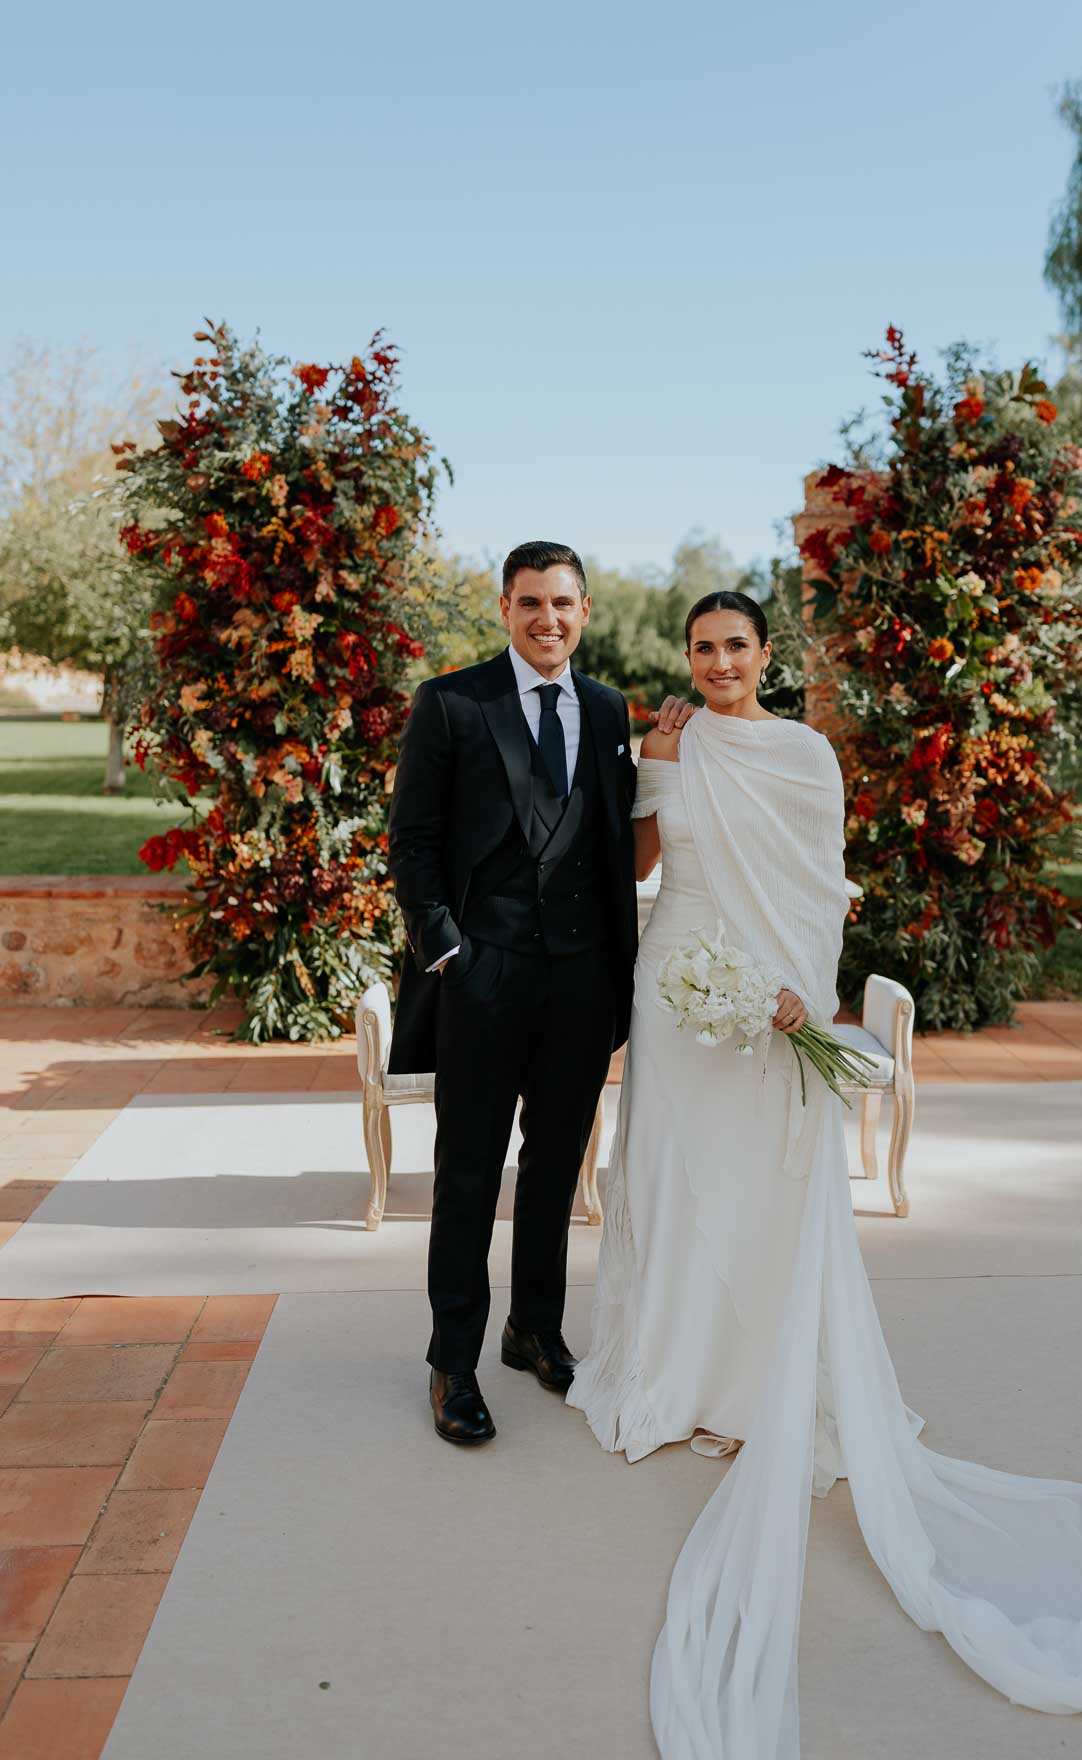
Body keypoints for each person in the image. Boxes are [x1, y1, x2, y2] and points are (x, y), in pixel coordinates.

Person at [568, 590, 1082, 1757]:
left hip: (770, 992)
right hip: (674, 985)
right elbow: (639, 860)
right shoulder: (667, 739)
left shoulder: (803, 754)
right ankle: (673, 1367)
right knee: (675, 1176)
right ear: (685, 658)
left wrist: (802, 992)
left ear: (764, 656)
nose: (719, 661)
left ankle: (758, 1375)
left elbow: (814, 887)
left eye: (736, 644)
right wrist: (651, 768)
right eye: (702, 647)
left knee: (759, 1185)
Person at [386, 540, 691, 1447]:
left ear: (584, 611)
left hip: (579, 983)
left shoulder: (604, 712)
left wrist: (614, 977)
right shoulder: (451, 702)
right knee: (468, 1176)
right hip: (482, 979)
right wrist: (448, 953)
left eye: (562, 603)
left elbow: (611, 846)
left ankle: (534, 1331)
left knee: (557, 1170)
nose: (546, 619)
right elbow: (413, 843)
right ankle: (452, 1363)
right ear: (506, 609)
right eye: (529, 603)